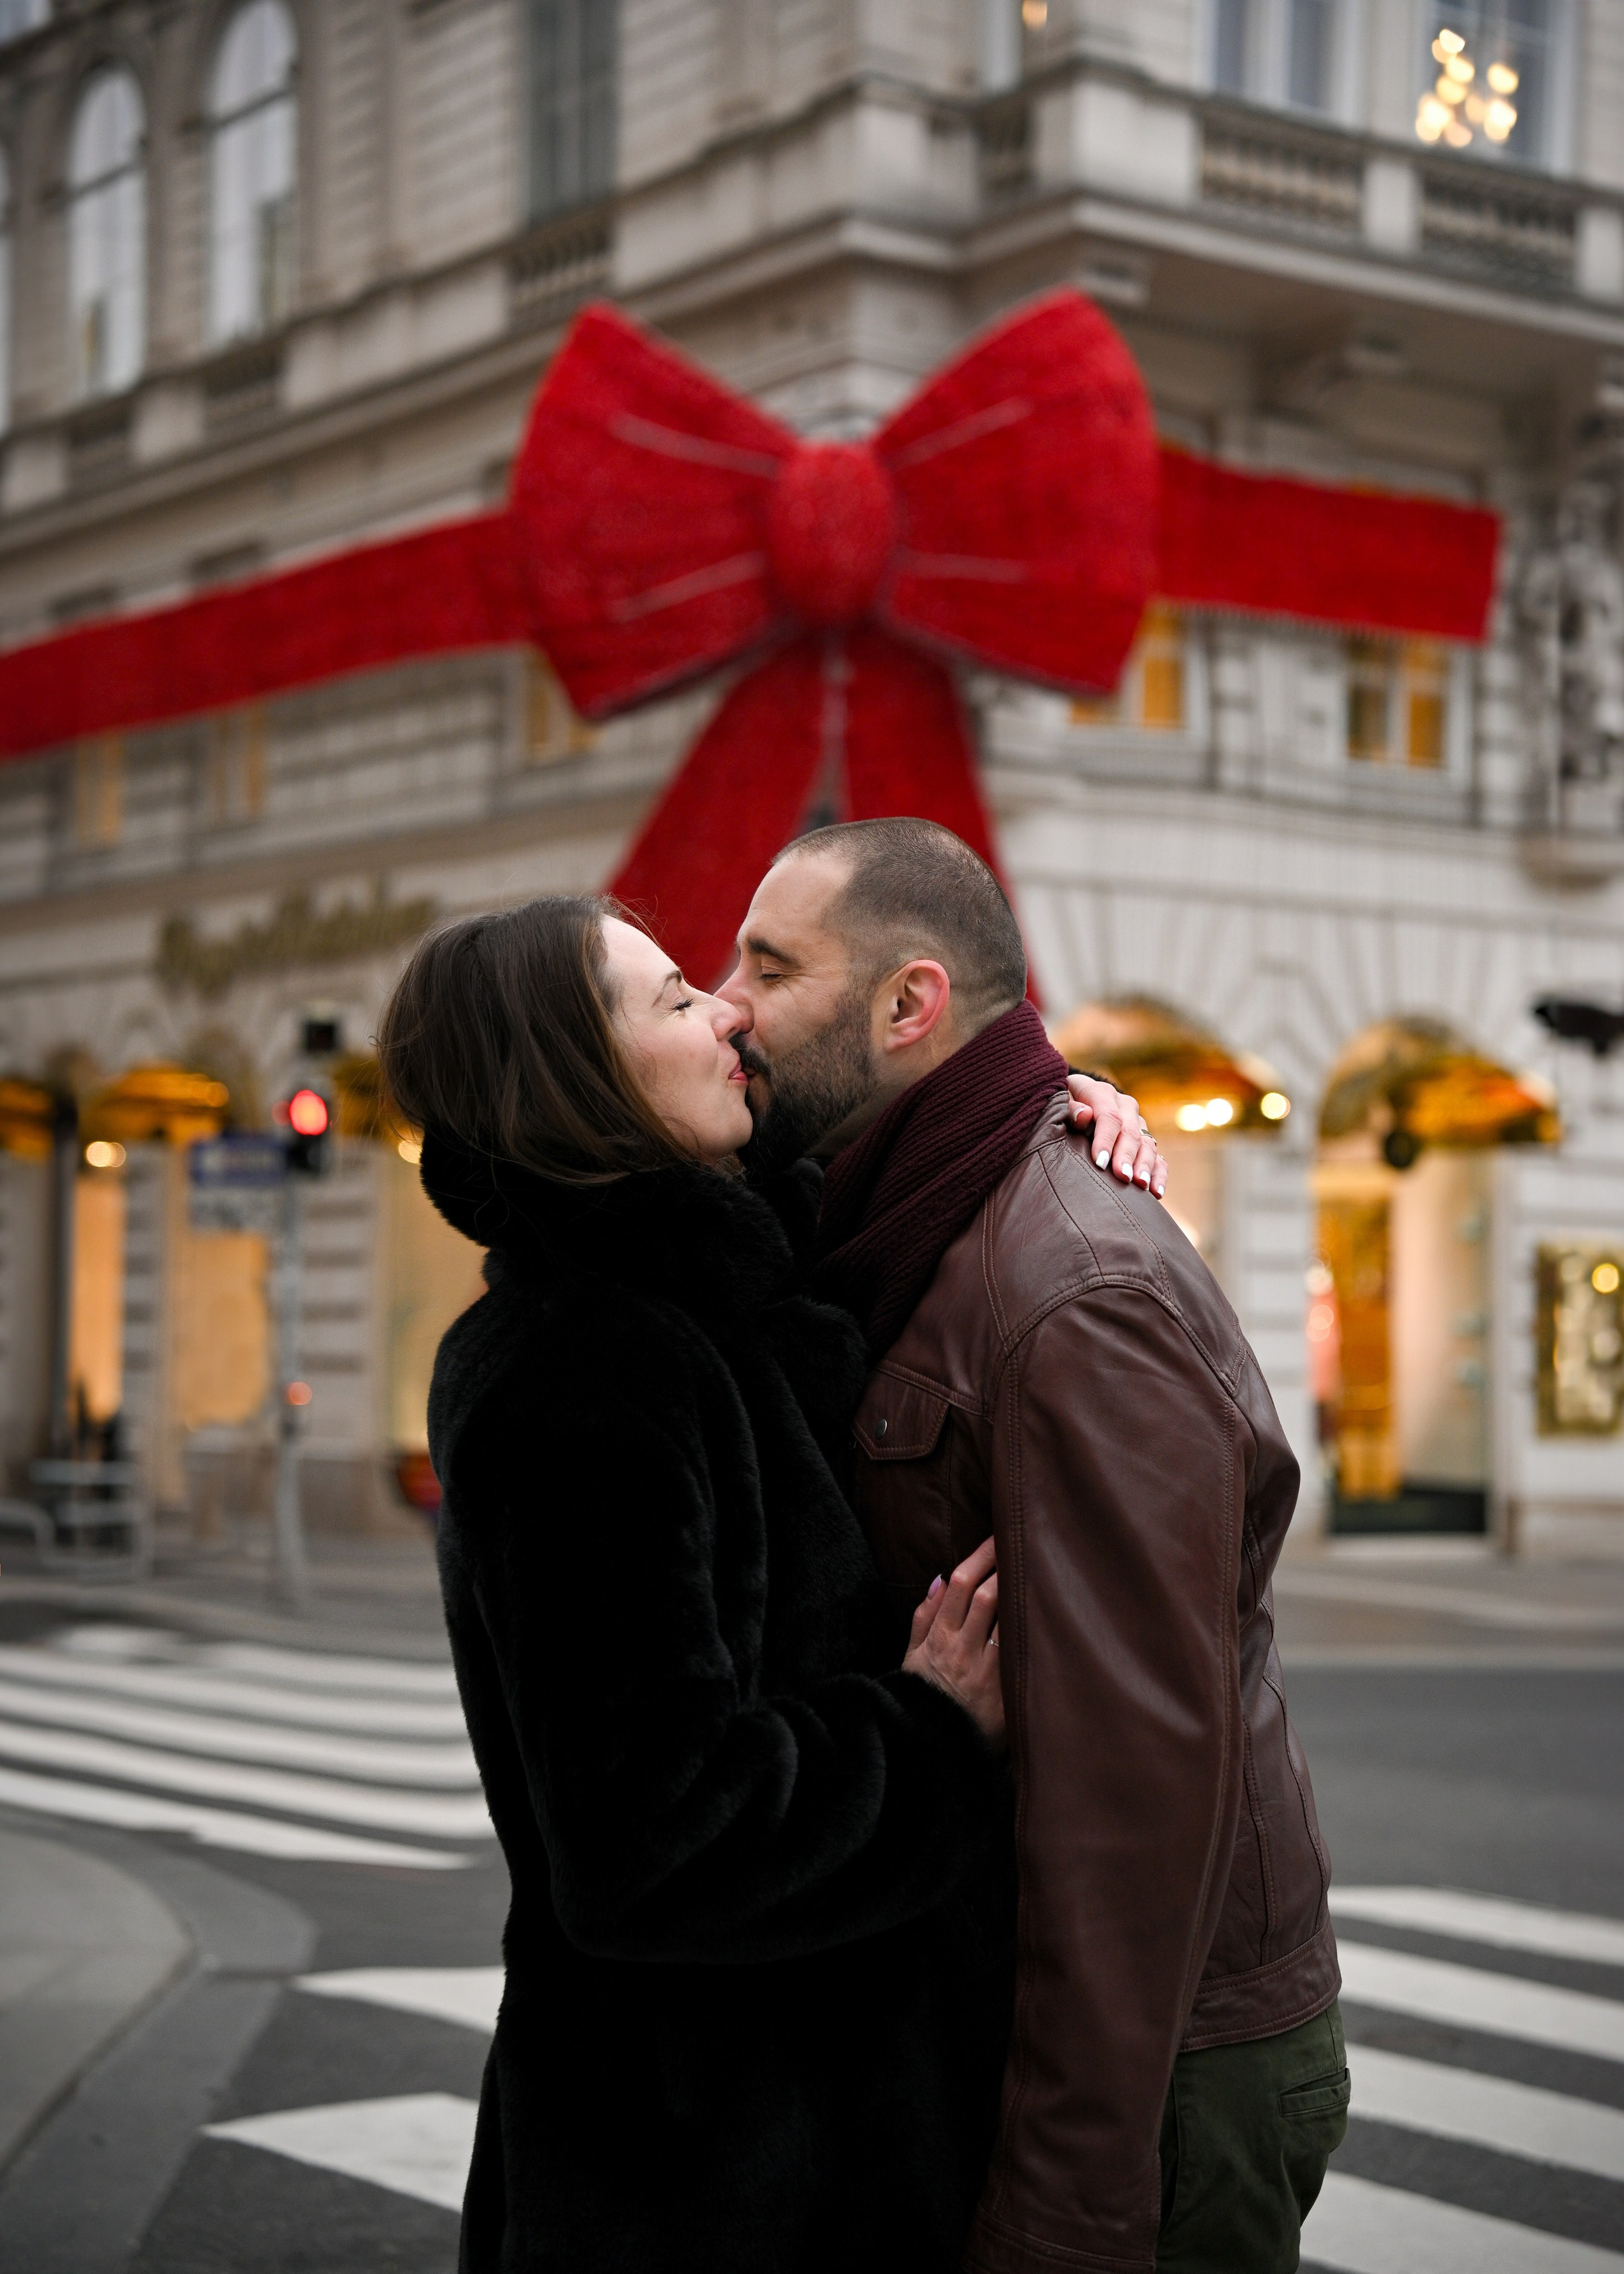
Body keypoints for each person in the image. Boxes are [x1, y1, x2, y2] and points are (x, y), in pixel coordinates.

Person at [374, 895, 1153, 2274]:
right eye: (676, 999)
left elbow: (897, 1146)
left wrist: (1053, 1109)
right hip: (701, 2174)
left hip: (814, 2134)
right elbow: (649, 1840)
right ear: (582, 1078)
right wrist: (924, 1730)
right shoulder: (577, 1367)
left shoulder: (737, 1280)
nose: (726, 1010)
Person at [717, 818, 1347, 2274]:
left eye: (769, 966)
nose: (729, 1004)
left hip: (1154, 2074)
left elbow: (1128, 1799)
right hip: (1002, 2010)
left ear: (908, 1004)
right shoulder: (895, 1213)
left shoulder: (1077, 1291)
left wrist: (1066, 2207)